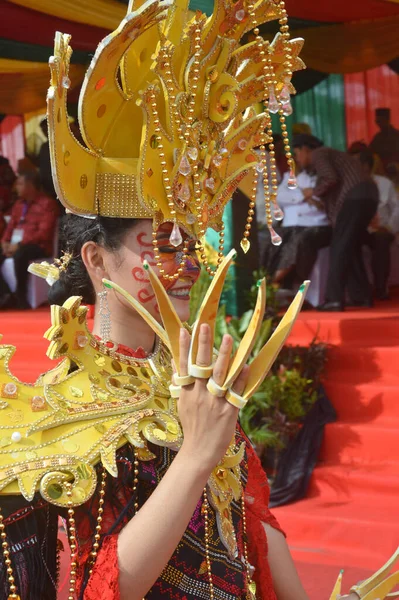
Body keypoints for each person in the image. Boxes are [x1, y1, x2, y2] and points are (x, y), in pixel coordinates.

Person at [0, 4, 362, 600]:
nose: (187, 264)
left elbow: (256, 528)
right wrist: (195, 455)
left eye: (191, 244)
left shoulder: (190, 385)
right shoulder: (64, 411)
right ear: (96, 260)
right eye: (163, 245)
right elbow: (102, 586)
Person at [293, 134, 378, 311]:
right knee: (350, 246)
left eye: (296, 154)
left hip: (355, 196)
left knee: (339, 247)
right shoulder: (330, 156)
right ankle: (361, 296)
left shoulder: (318, 154)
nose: (297, 160)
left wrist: (312, 192)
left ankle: (334, 299)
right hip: (367, 195)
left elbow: (330, 178)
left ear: (304, 149)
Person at [0, 170, 59, 309]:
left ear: (30, 185)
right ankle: (6, 294)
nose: (16, 187)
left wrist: (19, 245)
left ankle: (21, 297)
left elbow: (44, 233)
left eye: (20, 183)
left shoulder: (47, 204)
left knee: (21, 254)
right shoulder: (18, 205)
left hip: (38, 246)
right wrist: (4, 243)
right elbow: (10, 227)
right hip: (16, 245)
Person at [264, 169, 332, 287]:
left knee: (299, 240)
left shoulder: (324, 178)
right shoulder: (288, 177)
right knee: (270, 238)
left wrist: (309, 195)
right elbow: (280, 197)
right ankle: (268, 279)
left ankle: (274, 281)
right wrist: (304, 195)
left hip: (317, 225)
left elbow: (323, 203)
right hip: (290, 226)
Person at [358, 149, 399, 300]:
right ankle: (360, 290)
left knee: (381, 240)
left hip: (382, 228)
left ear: (367, 166)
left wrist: (389, 227)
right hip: (359, 229)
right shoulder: (351, 183)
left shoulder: (384, 183)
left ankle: (381, 287)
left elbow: (396, 208)